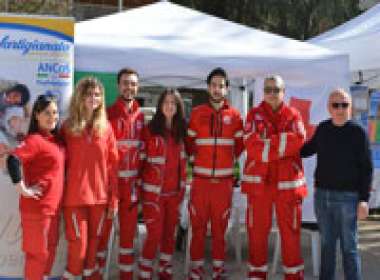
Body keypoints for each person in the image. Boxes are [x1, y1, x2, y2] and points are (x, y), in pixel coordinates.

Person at [301, 89, 373, 280]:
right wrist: (285, 147)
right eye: (336, 105)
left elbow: (367, 168)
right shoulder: (323, 128)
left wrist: (364, 200)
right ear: (328, 108)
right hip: (322, 197)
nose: (340, 109)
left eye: (344, 104)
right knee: (327, 247)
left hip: (348, 199)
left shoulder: (358, 133)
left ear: (350, 107)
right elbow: (307, 149)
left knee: (349, 249)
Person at [242, 75, 307, 280]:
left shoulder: (293, 114)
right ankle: (257, 275)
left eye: (276, 90)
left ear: (283, 92)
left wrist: (267, 143)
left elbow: (298, 140)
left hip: (287, 185)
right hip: (260, 185)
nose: (271, 94)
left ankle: (293, 276)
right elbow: (251, 146)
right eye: (268, 90)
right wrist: (281, 144)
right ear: (263, 92)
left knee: (291, 235)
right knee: (257, 234)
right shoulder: (253, 114)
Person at [186, 67, 244, 279]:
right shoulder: (196, 113)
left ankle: (218, 269)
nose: (217, 89)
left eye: (221, 85)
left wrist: (228, 169)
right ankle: (196, 268)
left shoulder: (236, 116)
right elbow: (189, 144)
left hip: (223, 184)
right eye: (213, 85)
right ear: (208, 87)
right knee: (198, 228)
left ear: (227, 89)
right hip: (200, 182)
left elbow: (240, 147)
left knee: (220, 230)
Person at [61, 77, 119, 279]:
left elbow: (112, 166)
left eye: (97, 94)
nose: (93, 98)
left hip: (100, 200)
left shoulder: (107, 128)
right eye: (88, 94)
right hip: (74, 199)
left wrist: (113, 199)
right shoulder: (67, 127)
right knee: (79, 249)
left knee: (93, 253)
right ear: (80, 96)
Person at [6, 94, 64, 280]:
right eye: (47, 113)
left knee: (49, 252)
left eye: (55, 112)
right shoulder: (35, 140)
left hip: (53, 209)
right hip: (37, 210)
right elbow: (13, 159)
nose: (52, 117)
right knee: (37, 256)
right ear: (37, 115)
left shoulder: (56, 141)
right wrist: (22, 189)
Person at [96, 68, 145, 279]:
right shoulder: (106, 114)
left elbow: (145, 151)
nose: (129, 87)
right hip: (110, 187)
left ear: (138, 86)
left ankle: (126, 276)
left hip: (132, 187)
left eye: (133, 83)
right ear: (118, 86)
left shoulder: (141, 115)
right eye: (125, 83)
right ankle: (95, 275)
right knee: (102, 237)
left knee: (127, 238)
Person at [138, 88, 187, 280]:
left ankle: (165, 270)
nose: (169, 106)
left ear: (178, 107)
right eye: (166, 102)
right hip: (153, 195)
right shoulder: (149, 130)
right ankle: (145, 271)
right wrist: (140, 192)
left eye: (173, 103)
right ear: (160, 105)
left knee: (169, 236)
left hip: (174, 194)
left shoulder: (181, 131)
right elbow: (141, 162)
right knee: (154, 235)